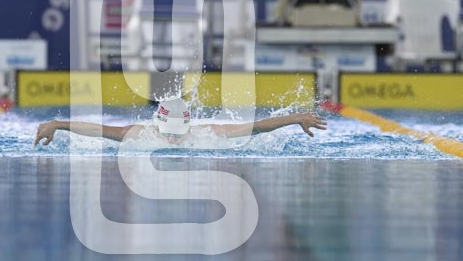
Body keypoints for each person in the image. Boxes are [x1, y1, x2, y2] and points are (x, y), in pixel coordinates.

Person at [34, 98, 327, 146]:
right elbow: (99, 131)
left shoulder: (207, 134)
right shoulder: (140, 135)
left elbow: (257, 126)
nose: (173, 139)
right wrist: (57, 123)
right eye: (169, 132)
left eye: (178, 132)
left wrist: (295, 118)